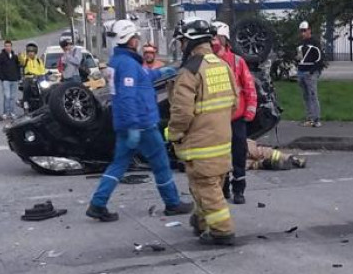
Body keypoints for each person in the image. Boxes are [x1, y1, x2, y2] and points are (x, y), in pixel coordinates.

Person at [87, 21, 193, 222]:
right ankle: (172, 203)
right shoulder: (128, 64)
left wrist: (160, 73)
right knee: (161, 163)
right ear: (129, 39)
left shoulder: (120, 62)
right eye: (135, 37)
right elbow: (128, 96)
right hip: (141, 124)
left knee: (118, 164)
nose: (138, 40)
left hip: (125, 123)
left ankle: (98, 203)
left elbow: (140, 79)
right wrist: (135, 126)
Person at [167, 18, 239, 245]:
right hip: (222, 140)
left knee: (205, 186)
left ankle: (221, 231)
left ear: (189, 42)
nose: (180, 46)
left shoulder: (190, 72)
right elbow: (234, 103)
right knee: (209, 184)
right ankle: (200, 220)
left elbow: (182, 113)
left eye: (181, 42)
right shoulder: (222, 65)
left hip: (201, 143)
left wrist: (173, 134)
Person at [211, 21, 258, 205]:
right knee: (220, 157)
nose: (213, 41)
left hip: (236, 118)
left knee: (238, 155)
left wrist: (250, 111)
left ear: (225, 39)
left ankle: (239, 190)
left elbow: (249, 87)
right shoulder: (207, 62)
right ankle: (223, 189)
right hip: (216, 119)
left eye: (216, 37)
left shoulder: (237, 61)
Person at [295, 21, 324, 127]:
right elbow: (299, 57)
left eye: (304, 31)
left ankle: (316, 119)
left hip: (310, 72)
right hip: (301, 71)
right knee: (305, 96)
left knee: (313, 95)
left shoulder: (315, 42)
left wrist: (312, 71)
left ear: (309, 30)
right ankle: (309, 118)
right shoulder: (300, 44)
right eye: (301, 31)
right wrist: (298, 66)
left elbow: (320, 58)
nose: (303, 33)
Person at [0, 40, 21, 119]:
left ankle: (12, 113)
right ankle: (5, 112)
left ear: (11, 47)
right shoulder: (1, 56)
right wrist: (1, 77)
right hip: (6, 80)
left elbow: (18, 67)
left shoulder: (15, 56)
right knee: (7, 96)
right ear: (4, 47)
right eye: (6, 46)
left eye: (9, 46)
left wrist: (18, 76)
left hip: (14, 79)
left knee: (13, 97)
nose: (7, 47)